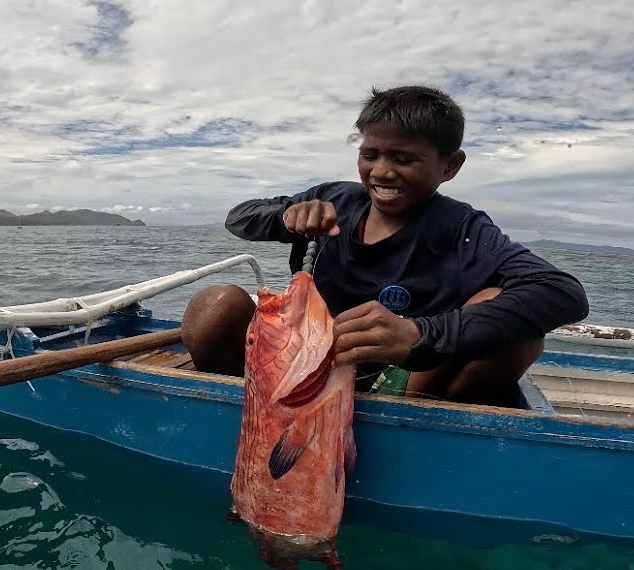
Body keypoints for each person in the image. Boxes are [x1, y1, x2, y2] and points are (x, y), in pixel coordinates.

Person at [180, 85, 590, 407]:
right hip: (301, 363)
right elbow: (239, 217)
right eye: (370, 154)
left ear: (449, 166)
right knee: (216, 304)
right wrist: (285, 217)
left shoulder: (462, 226)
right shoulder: (334, 199)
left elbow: (562, 293)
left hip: (404, 378)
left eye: (403, 158)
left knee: (517, 332)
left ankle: (414, 425)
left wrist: (420, 334)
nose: (381, 170)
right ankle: (244, 412)